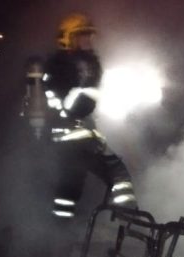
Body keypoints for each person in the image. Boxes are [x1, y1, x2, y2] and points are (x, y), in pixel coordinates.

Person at [22, 12, 137, 226]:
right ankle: (131, 224)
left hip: (61, 142)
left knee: (68, 192)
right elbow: (76, 107)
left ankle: (56, 235)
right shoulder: (74, 65)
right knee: (118, 173)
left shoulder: (58, 65)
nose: (88, 41)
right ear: (68, 38)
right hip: (74, 141)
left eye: (89, 37)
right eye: (82, 36)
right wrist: (92, 80)